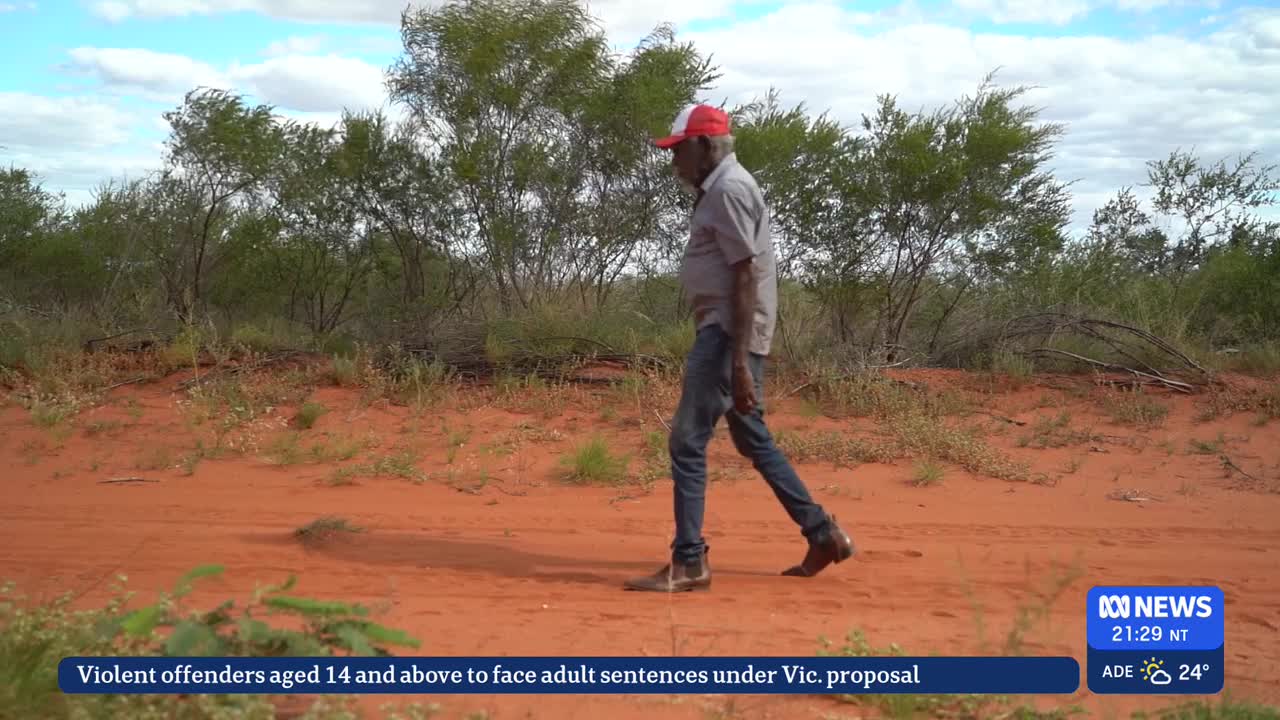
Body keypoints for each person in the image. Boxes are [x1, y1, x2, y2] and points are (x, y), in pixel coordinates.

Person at [623, 103, 856, 593]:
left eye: (679, 151)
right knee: (751, 437)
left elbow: (746, 271)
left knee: (686, 441)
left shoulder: (729, 189)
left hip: (728, 335)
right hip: (729, 332)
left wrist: (739, 360)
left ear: (704, 147)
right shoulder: (720, 187)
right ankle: (823, 533)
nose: (674, 164)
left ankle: (689, 562)